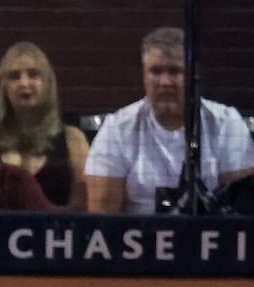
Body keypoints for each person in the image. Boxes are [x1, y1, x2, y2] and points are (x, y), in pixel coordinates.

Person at [84, 27, 254, 214]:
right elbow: (102, 217)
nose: (165, 82)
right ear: (144, 75)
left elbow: (239, 213)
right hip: (137, 237)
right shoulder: (116, 128)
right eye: (156, 71)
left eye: (175, 72)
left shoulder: (227, 124)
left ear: (193, 76)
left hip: (208, 236)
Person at [0, 42, 90, 210]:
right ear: (2, 87)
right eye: (14, 76)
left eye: (33, 75)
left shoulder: (73, 139)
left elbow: (84, 207)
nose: (24, 83)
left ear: (47, 83)